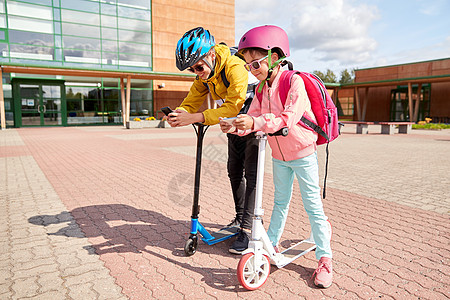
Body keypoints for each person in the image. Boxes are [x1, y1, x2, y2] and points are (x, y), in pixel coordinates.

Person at [219, 25, 333, 288]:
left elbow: (287, 118)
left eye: (255, 63)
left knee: (312, 207)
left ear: (275, 57)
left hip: (303, 154)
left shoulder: (294, 82)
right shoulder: (260, 90)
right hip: (279, 157)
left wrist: (253, 122)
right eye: (248, 66)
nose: (252, 70)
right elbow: (254, 118)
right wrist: (234, 126)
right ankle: (268, 248)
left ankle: (325, 258)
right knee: (280, 203)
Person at [169, 27, 259, 254]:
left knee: (252, 174)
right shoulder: (206, 74)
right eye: (192, 69)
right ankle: (239, 219)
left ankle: (247, 230)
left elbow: (233, 105)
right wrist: (180, 113)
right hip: (232, 124)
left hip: (253, 120)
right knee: (234, 171)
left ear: (211, 54)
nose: (197, 72)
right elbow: (192, 99)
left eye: (198, 66)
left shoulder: (234, 66)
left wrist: (197, 117)